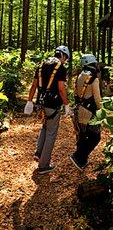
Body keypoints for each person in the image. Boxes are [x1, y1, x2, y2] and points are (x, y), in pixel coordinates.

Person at [23, 45, 72, 174]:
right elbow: (61, 89)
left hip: (41, 103)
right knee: (51, 132)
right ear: (62, 55)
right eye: (65, 58)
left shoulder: (41, 65)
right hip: (53, 104)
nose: (65, 61)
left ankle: (38, 153)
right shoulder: (60, 68)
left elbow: (34, 85)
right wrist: (66, 104)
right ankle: (43, 165)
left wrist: (29, 101)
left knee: (45, 127)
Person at [70, 54, 103, 171]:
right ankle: (78, 156)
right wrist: (101, 111)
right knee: (95, 137)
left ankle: (81, 161)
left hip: (80, 110)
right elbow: (97, 99)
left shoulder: (80, 76)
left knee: (83, 136)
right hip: (89, 112)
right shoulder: (94, 79)